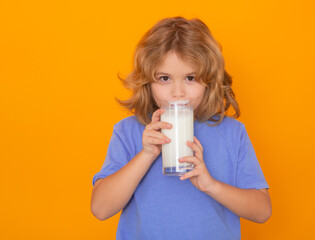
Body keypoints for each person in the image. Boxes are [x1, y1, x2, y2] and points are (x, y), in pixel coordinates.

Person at [91, 16, 271, 240]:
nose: (178, 93)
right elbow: (101, 209)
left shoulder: (232, 133)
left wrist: (211, 185)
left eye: (190, 78)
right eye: (165, 78)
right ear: (147, 81)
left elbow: (262, 211)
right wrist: (146, 154)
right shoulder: (128, 132)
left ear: (209, 81)